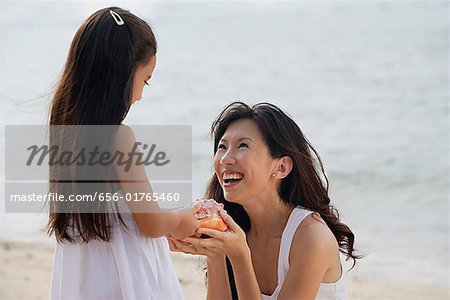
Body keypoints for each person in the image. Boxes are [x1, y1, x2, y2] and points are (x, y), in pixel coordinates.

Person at [47, 7, 198, 299]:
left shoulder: (65, 133)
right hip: (125, 276)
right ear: (120, 76)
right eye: (145, 79)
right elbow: (151, 222)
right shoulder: (119, 137)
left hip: (85, 277)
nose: (140, 95)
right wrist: (182, 217)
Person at [168, 102, 362, 299]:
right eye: (222, 147)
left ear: (281, 168)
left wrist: (240, 255)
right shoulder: (236, 230)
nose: (225, 159)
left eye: (243, 145)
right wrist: (215, 253)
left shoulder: (311, 237)